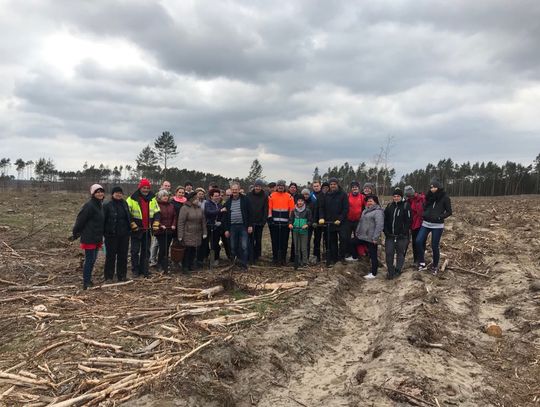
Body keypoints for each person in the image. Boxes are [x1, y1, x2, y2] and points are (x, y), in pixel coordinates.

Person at [71, 184, 105, 290]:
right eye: (97, 192)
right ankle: (86, 282)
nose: (100, 193)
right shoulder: (89, 205)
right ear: (93, 194)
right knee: (90, 260)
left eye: (101, 191)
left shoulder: (100, 204)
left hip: (97, 237)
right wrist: (75, 232)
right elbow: (80, 220)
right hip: (89, 237)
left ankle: (89, 279)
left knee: (93, 259)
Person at [416, 178, 452, 274]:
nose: (432, 189)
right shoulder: (429, 197)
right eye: (431, 187)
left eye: (434, 187)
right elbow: (425, 206)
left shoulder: (445, 197)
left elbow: (449, 212)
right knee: (418, 241)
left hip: (437, 225)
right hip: (426, 223)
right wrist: (425, 213)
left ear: (439, 187)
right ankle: (422, 262)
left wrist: (440, 217)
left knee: (434, 246)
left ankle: (435, 266)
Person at [126, 178, 161, 278]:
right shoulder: (132, 198)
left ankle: (144, 269)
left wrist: (156, 222)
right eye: (144, 188)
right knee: (135, 251)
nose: (145, 190)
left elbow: (157, 211)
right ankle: (135, 270)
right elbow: (127, 213)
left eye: (147, 188)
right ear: (140, 188)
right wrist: (132, 224)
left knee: (146, 251)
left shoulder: (152, 198)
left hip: (148, 229)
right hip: (136, 229)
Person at [103, 186, 131, 283]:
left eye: (120, 193)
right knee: (111, 256)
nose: (118, 194)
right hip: (111, 235)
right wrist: (104, 233)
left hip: (124, 235)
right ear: (112, 194)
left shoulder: (125, 203)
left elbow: (128, 217)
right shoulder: (107, 204)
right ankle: (109, 277)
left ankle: (122, 275)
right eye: (116, 193)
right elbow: (103, 220)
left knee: (123, 256)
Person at [318, 177, 349, 267]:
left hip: (341, 222)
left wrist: (340, 219)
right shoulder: (326, 195)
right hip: (330, 222)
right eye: (331, 184)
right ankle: (334, 258)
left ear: (337, 184)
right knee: (332, 241)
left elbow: (346, 208)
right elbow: (322, 208)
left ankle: (342, 257)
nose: (332, 186)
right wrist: (321, 217)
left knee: (343, 239)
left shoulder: (343, 194)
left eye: (334, 184)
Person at [223, 183, 253, 270]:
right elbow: (225, 217)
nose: (235, 191)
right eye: (233, 190)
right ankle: (235, 264)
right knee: (233, 246)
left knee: (244, 246)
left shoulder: (245, 200)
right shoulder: (228, 202)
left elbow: (250, 213)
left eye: (236, 189)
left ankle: (244, 265)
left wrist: (250, 225)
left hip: (243, 226)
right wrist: (226, 230)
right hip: (232, 227)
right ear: (231, 190)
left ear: (239, 190)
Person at [354, 195, 384, 280]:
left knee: (373, 254)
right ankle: (354, 257)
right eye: (368, 201)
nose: (369, 203)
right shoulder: (365, 211)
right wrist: (357, 231)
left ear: (375, 202)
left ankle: (374, 273)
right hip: (363, 236)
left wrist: (375, 237)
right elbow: (360, 222)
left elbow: (379, 225)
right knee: (351, 242)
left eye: (371, 201)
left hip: (371, 238)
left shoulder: (378, 212)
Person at [383, 188, 412, 279]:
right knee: (389, 253)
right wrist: (386, 231)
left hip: (402, 236)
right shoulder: (389, 206)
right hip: (390, 236)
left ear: (401, 197)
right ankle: (390, 271)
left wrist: (404, 231)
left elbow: (409, 221)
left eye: (398, 196)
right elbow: (385, 220)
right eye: (394, 196)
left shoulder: (406, 206)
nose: (396, 198)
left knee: (400, 253)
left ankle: (398, 270)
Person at [177, 192, 207, 273]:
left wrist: (204, 232)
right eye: (196, 198)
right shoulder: (184, 208)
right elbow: (181, 222)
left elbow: (203, 221)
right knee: (187, 250)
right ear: (192, 199)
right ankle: (185, 266)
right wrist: (180, 235)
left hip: (197, 232)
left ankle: (191, 265)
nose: (198, 200)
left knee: (194, 249)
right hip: (187, 233)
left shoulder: (199, 208)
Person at [268, 180, 295, 265]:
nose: (280, 187)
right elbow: (269, 208)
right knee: (274, 241)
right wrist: (270, 219)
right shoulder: (272, 196)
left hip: (285, 223)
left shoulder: (289, 196)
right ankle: (275, 258)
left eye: (282, 185)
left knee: (284, 241)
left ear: (284, 187)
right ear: (276, 186)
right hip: (274, 223)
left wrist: (290, 220)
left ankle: (283, 258)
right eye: (279, 185)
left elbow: (292, 210)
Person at [150, 180, 172, 266]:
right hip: (158, 228)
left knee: (164, 247)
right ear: (162, 185)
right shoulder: (156, 198)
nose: (167, 187)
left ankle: (164, 261)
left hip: (168, 228)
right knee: (156, 245)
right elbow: (154, 214)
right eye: (165, 185)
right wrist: (158, 225)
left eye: (168, 186)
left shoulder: (170, 200)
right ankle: (153, 260)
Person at [155, 189, 177, 274]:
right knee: (162, 247)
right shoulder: (157, 205)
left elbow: (174, 216)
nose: (165, 197)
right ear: (160, 197)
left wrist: (174, 224)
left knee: (167, 247)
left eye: (167, 196)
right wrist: (160, 225)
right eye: (164, 196)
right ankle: (159, 263)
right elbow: (155, 217)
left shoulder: (171, 205)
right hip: (161, 231)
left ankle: (165, 263)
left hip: (169, 230)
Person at [404, 185, 426, 266]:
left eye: (410, 195)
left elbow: (424, 210)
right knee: (414, 242)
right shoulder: (408, 201)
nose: (409, 197)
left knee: (421, 242)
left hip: (422, 223)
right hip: (413, 224)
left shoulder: (421, 199)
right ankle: (416, 260)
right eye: (408, 196)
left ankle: (421, 260)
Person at [248, 179, 268, 264]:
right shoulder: (249, 195)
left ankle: (257, 255)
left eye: (259, 186)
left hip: (260, 222)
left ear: (261, 187)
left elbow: (265, 209)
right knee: (250, 240)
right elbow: (247, 208)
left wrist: (263, 221)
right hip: (250, 222)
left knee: (258, 239)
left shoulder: (264, 196)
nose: (257, 188)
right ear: (254, 186)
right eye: (256, 186)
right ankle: (250, 256)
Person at [203, 189, 225, 267]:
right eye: (215, 196)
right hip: (209, 226)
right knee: (206, 243)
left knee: (215, 244)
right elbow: (208, 212)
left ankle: (215, 259)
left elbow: (223, 215)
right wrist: (220, 211)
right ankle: (205, 258)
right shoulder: (208, 203)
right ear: (211, 196)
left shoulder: (220, 204)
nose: (217, 197)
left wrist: (220, 222)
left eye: (218, 196)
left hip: (217, 227)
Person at [288, 196, 312, 268]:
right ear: (297, 202)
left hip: (303, 230)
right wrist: (290, 224)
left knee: (303, 247)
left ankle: (305, 261)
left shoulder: (307, 210)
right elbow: (291, 219)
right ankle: (297, 261)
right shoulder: (293, 210)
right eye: (299, 201)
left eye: (302, 201)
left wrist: (307, 225)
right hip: (295, 230)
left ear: (304, 202)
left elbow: (310, 220)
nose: (300, 202)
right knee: (296, 247)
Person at [344, 181, 365, 261]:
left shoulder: (362, 197)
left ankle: (357, 253)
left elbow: (366, 207)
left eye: (356, 187)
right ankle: (348, 252)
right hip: (348, 221)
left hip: (358, 221)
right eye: (353, 187)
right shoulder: (348, 196)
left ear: (358, 188)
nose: (354, 188)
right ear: (351, 189)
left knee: (357, 238)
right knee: (347, 237)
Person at [310, 180, 324, 262]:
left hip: (319, 220)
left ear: (320, 186)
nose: (316, 187)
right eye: (314, 186)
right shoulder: (310, 195)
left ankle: (317, 256)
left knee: (317, 239)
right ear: (313, 187)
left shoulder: (323, 195)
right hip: (310, 220)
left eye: (317, 186)